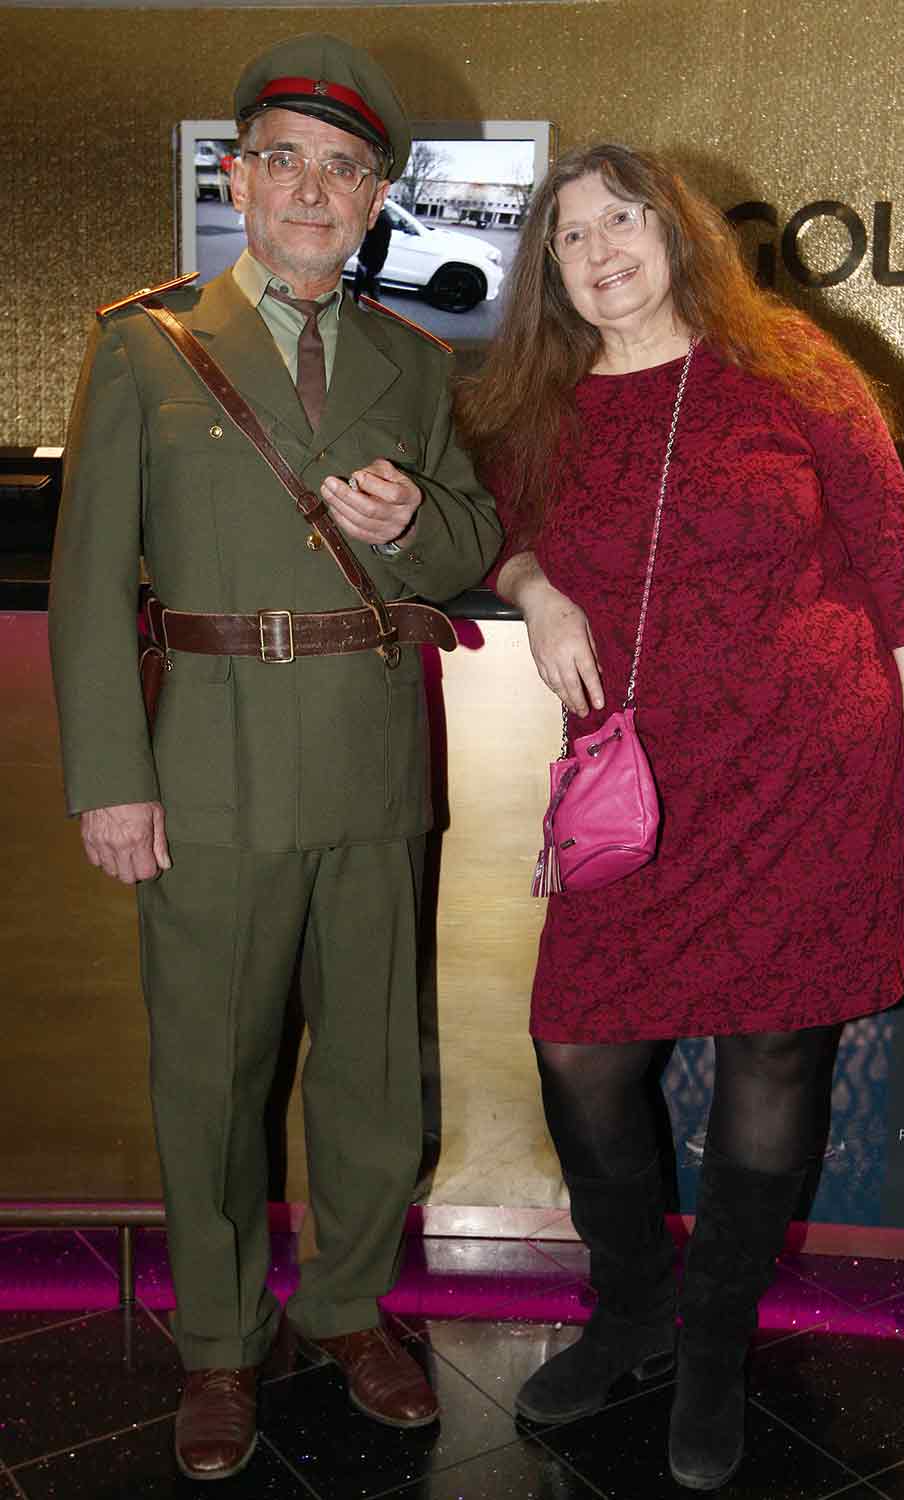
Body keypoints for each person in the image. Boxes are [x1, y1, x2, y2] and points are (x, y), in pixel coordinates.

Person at [456, 143, 904, 1492]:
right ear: (549, 270)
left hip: (808, 768)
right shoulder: (538, 400)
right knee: (578, 1046)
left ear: (678, 232)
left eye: (624, 219)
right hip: (635, 782)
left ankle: (713, 1345)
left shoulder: (791, 366)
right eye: (571, 235)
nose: (602, 250)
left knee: (772, 1051)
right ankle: (632, 1309)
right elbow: (494, 529)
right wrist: (538, 591)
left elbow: (899, 563)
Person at [49, 32, 500, 1484]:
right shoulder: (146, 346)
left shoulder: (413, 362)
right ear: (236, 179)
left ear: (375, 198)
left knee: (372, 1068)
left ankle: (351, 1311)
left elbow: (470, 535)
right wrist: (111, 776)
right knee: (210, 1074)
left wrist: (410, 525)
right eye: (285, 159)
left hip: (369, 756)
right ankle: (220, 1345)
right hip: (208, 763)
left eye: (344, 167)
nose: (313, 188)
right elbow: (87, 580)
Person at [353, 206, 393, 303]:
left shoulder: (382, 220)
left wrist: (374, 270)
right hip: (366, 262)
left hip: (370, 266)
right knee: (360, 292)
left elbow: (381, 248)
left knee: (371, 297)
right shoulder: (378, 216)